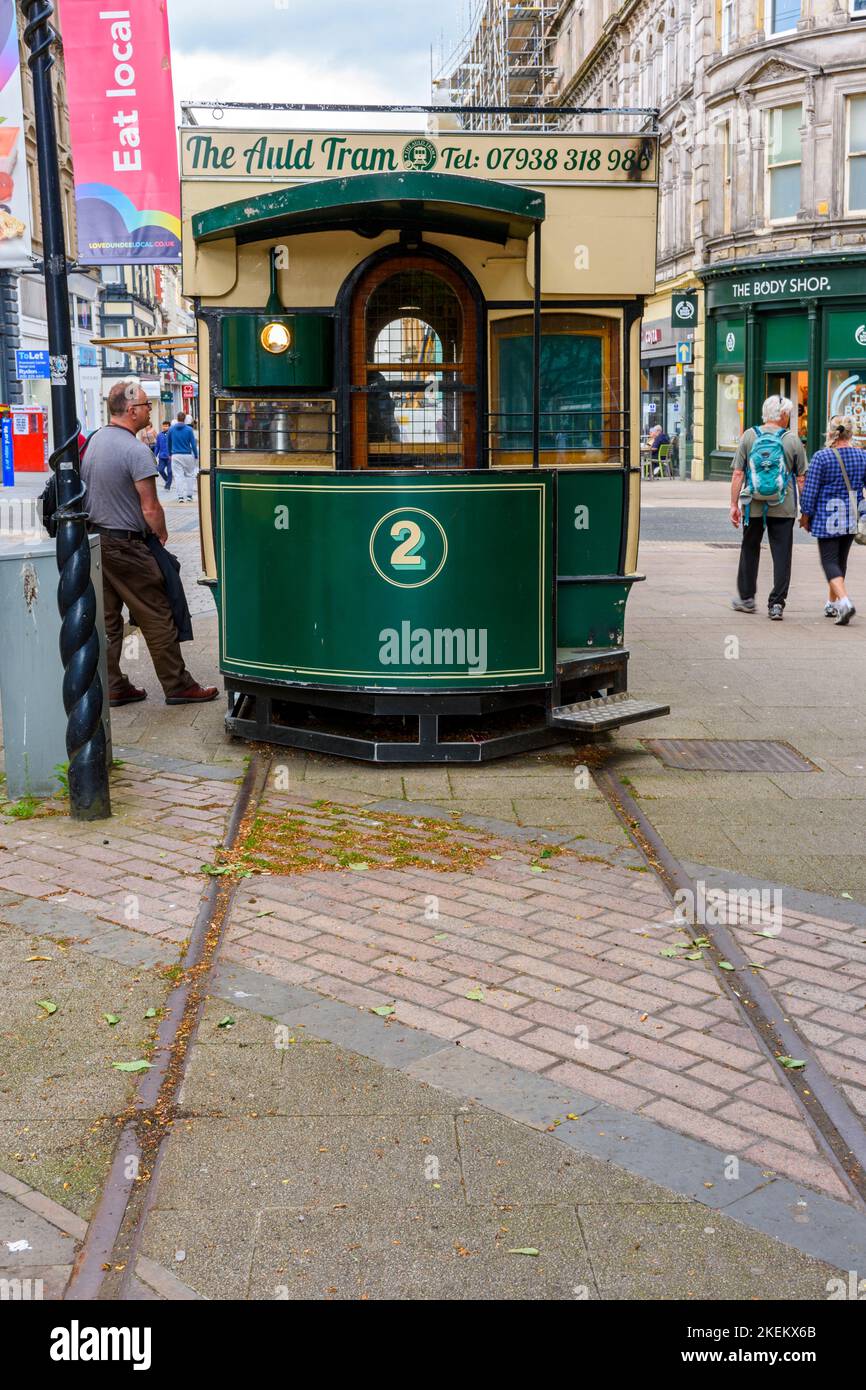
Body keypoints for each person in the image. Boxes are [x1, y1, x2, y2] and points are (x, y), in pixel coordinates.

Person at [80, 380, 217, 707]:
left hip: (98, 542)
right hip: (127, 545)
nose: (148, 410)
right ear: (130, 411)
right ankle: (178, 685)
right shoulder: (135, 449)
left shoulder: (96, 441)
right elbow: (151, 506)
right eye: (144, 405)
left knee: (108, 618)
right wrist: (161, 534)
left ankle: (113, 684)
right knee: (157, 612)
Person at [730, 394, 807, 620]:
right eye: (788, 414)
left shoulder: (749, 436)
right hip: (784, 505)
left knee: (749, 548)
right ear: (782, 415)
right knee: (782, 554)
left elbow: (737, 474)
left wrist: (733, 504)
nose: (789, 417)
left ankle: (746, 598)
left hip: (752, 503)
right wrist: (806, 510)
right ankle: (776, 604)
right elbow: (801, 478)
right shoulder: (792, 440)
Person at [799, 414, 866, 626]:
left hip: (827, 517)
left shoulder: (821, 457)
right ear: (851, 432)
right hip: (850, 516)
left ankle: (845, 602)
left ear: (831, 432)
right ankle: (832, 603)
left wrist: (805, 515)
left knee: (829, 561)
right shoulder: (861, 456)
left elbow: (810, 491)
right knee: (840, 561)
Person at [168, 410, 198, 502]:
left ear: (177, 419)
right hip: (187, 455)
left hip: (176, 455)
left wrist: (169, 454)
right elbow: (193, 444)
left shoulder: (171, 429)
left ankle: (180, 497)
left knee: (178, 476)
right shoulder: (189, 430)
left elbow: (168, 443)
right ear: (185, 419)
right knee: (189, 475)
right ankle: (189, 496)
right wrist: (196, 454)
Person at [154, 420, 172, 491]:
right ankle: (168, 481)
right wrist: (155, 455)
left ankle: (167, 486)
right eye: (164, 426)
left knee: (170, 471)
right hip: (162, 457)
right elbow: (157, 446)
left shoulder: (171, 435)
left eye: (166, 426)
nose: (165, 427)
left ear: (169, 427)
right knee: (160, 470)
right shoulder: (159, 435)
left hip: (170, 457)